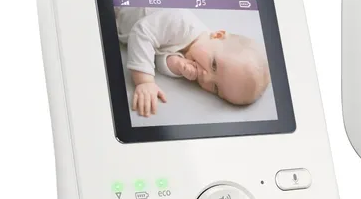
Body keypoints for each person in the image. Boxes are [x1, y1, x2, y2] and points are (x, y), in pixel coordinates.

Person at [115, 7, 271, 117]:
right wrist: (144, 81)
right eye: (214, 65)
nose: (206, 77)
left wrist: (176, 65)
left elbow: (156, 55)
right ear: (217, 35)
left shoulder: (194, 52)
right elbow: (141, 32)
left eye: (215, 88)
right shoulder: (181, 23)